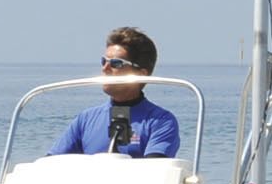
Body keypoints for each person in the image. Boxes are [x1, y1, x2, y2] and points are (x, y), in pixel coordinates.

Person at [48, 26, 180, 158]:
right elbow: (51, 162)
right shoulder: (86, 119)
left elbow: (156, 171)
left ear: (141, 74)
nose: (105, 68)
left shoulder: (160, 121)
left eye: (116, 63)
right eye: (104, 61)